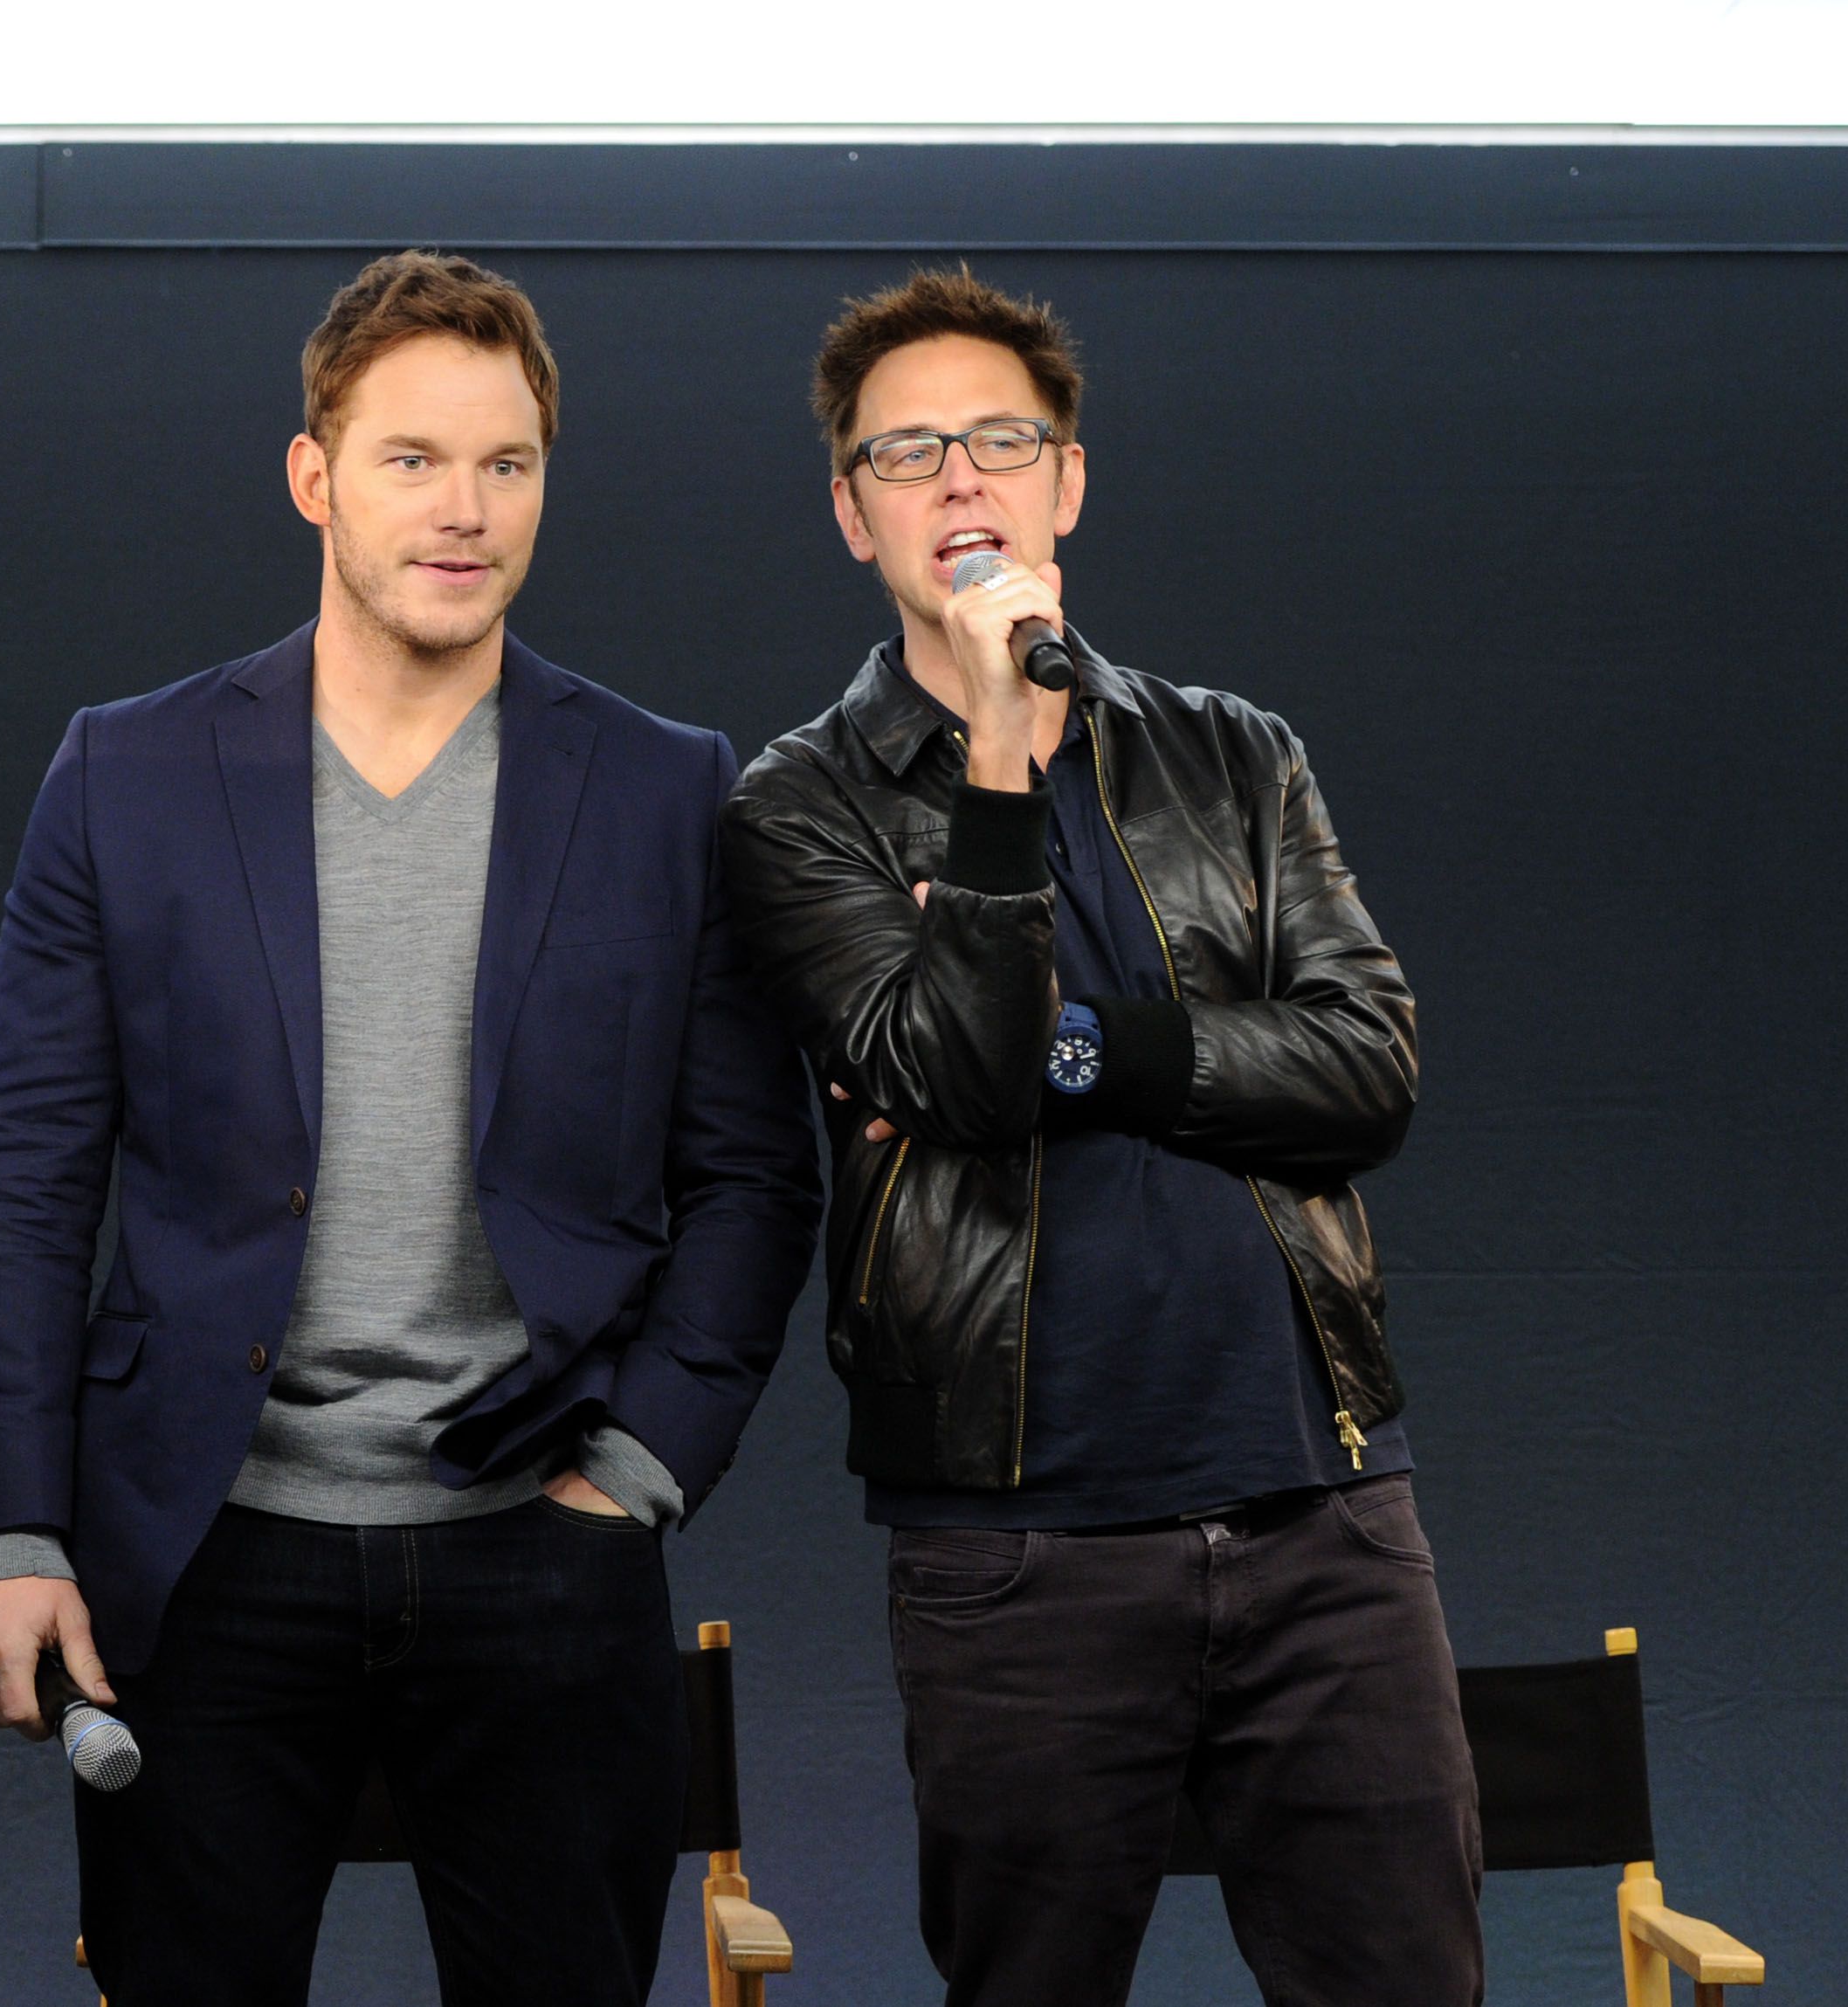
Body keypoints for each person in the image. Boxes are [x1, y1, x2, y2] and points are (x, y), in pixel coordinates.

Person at [0, 250, 824, 2007]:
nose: (463, 509)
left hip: (542, 1546)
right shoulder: (125, 773)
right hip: (203, 1549)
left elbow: (754, 1174)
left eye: (507, 464)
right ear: (314, 475)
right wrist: (8, 1529)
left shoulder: (663, 787)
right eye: (412, 458)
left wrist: (639, 1470)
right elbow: (25, 1188)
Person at [720, 267, 1477, 2005]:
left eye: (1001, 440)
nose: (959, 480)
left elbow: (1370, 1068)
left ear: (1066, 481)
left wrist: (1089, 1043)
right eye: (907, 453)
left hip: (1327, 1519)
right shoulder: (798, 804)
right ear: (851, 513)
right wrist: (996, 757)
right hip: (1017, 1554)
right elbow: (967, 1086)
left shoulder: (1235, 756)